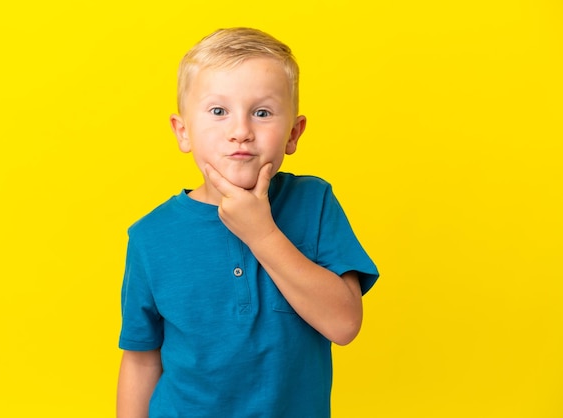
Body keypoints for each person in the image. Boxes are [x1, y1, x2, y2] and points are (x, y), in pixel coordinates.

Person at [116, 27, 379, 418]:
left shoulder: (314, 202)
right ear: (183, 131)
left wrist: (262, 233)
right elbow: (140, 360)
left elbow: (344, 325)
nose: (240, 132)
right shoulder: (150, 236)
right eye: (218, 111)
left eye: (262, 112)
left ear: (293, 133)